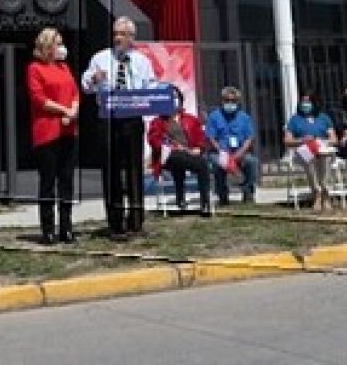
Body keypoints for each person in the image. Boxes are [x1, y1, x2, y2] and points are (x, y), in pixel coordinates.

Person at [81, 16, 157, 240]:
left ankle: (136, 222)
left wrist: (150, 97)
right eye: (115, 34)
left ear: (131, 38)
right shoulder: (100, 58)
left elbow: (150, 85)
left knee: (134, 170)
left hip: (133, 119)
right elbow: (86, 85)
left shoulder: (142, 61)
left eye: (122, 34)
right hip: (108, 119)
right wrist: (95, 78)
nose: (117, 38)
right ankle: (115, 225)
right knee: (111, 171)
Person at [27, 28, 80, 244]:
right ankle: (48, 229)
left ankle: (66, 228)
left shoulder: (64, 67)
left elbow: (75, 93)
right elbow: (39, 99)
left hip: (69, 130)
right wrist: (64, 111)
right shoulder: (35, 68)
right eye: (58, 44)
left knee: (66, 181)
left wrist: (73, 110)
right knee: (48, 182)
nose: (61, 48)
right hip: (47, 132)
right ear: (48, 47)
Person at [147, 88, 212, 216]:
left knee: (200, 163)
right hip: (167, 156)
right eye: (171, 97)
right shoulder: (158, 121)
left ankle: (205, 203)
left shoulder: (191, 119)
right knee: (182, 159)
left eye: (176, 97)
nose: (174, 100)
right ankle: (181, 199)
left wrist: (198, 148)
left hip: (190, 155)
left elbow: (202, 138)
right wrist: (171, 147)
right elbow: (154, 141)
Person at [284, 90, 337, 211]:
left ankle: (325, 191)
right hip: (303, 149)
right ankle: (316, 193)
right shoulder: (295, 119)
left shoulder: (324, 118)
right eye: (303, 101)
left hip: (323, 148)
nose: (305, 104)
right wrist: (302, 140)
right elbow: (287, 141)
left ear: (314, 102)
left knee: (326, 156)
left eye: (308, 101)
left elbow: (334, 138)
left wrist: (324, 141)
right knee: (308, 155)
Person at [204, 87, 258, 205]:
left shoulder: (245, 117)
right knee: (218, 163)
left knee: (251, 161)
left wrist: (241, 152)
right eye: (227, 100)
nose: (230, 103)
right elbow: (211, 138)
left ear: (238, 102)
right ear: (222, 101)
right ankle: (222, 195)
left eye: (233, 101)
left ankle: (248, 192)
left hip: (240, 152)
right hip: (220, 152)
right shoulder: (214, 116)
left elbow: (249, 138)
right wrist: (223, 152)